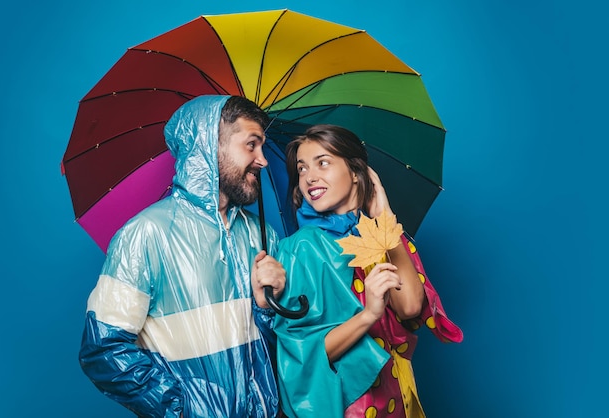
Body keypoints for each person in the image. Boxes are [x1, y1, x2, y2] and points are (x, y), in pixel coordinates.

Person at [79, 95, 286, 418]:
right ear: (207, 145)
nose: (263, 160)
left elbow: (281, 352)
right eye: (251, 144)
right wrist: (180, 409)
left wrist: (267, 310)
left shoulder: (262, 236)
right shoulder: (144, 235)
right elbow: (103, 349)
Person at [273, 124, 463, 418]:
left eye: (322, 162)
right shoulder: (300, 249)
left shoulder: (376, 234)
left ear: (354, 172)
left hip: (398, 400)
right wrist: (369, 315)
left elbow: (410, 306)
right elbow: (302, 355)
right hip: (352, 407)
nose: (309, 177)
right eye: (301, 169)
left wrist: (385, 219)